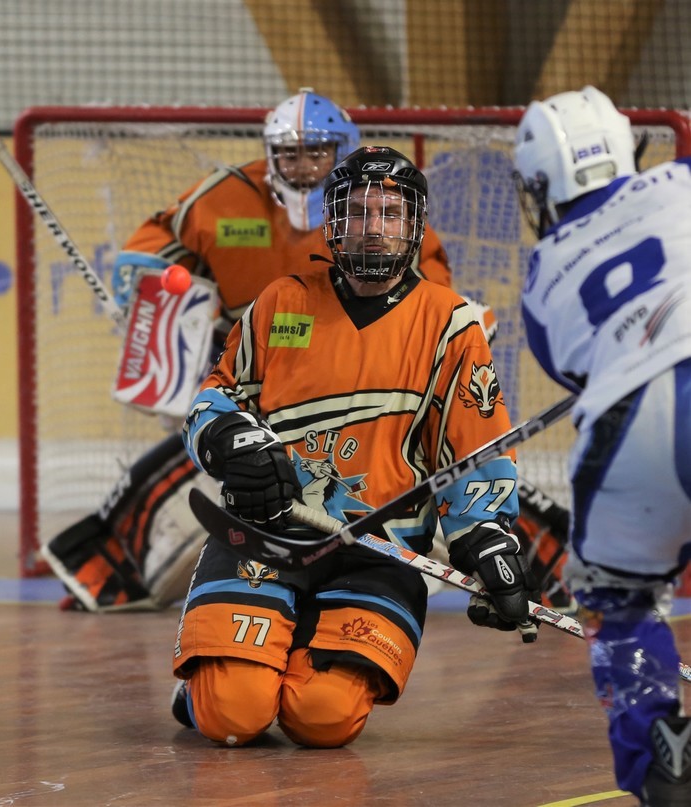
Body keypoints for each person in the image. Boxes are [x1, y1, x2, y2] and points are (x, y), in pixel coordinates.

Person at [40, 89, 463, 613]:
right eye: (290, 153)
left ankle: (502, 557)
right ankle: (112, 569)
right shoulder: (225, 198)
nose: (303, 166)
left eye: (317, 152)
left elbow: (430, 303)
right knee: (209, 462)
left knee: (417, 469)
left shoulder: (380, 213)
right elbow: (153, 249)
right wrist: (144, 296)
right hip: (251, 363)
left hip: (351, 374)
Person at [171, 145, 536, 750]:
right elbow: (217, 395)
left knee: (323, 718)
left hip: (378, 550)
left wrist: (486, 537)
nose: (373, 226)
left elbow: (477, 450)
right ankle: (214, 683)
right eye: (358, 211)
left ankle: (285, 654)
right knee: (232, 713)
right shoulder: (282, 302)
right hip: (265, 535)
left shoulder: (451, 324)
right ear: (333, 221)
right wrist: (231, 437)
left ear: (414, 225)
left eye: (390, 213)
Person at [514, 86, 691, 804]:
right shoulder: (681, 179)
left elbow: (577, 371)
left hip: (633, 426)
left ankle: (663, 763)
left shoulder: (539, 278)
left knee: (619, 606)